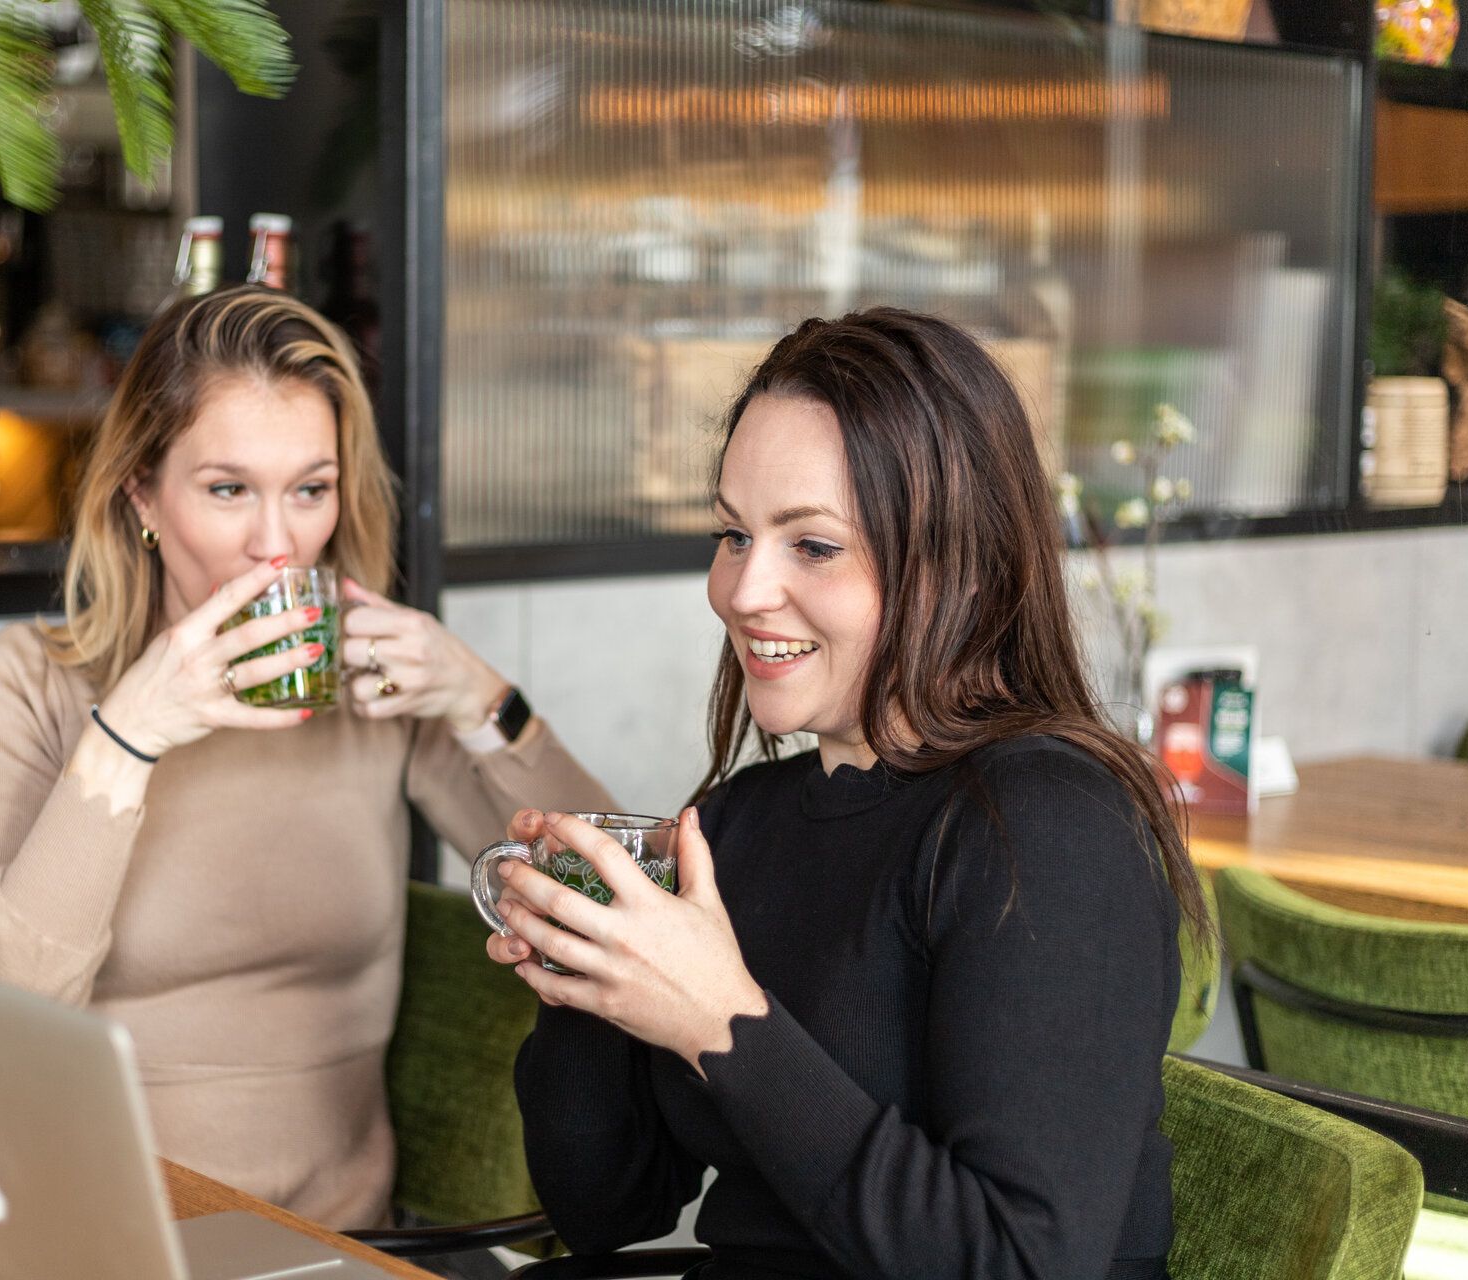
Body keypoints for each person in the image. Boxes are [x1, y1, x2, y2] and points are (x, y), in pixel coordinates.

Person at [487, 308, 1208, 1279]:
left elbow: (1023, 1261)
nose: (742, 590)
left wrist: (723, 1025)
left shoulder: (1051, 825)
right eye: (733, 534)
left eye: (812, 545)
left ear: (958, 556)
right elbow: (606, 1209)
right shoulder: (749, 819)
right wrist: (587, 974)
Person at [0, 286, 610, 1229]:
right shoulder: (30, 685)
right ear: (142, 494)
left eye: (310, 490)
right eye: (227, 489)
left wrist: (483, 704)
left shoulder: (371, 686)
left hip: (342, 1245)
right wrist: (129, 737)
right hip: (99, 1236)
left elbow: (610, 906)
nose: (278, 545)